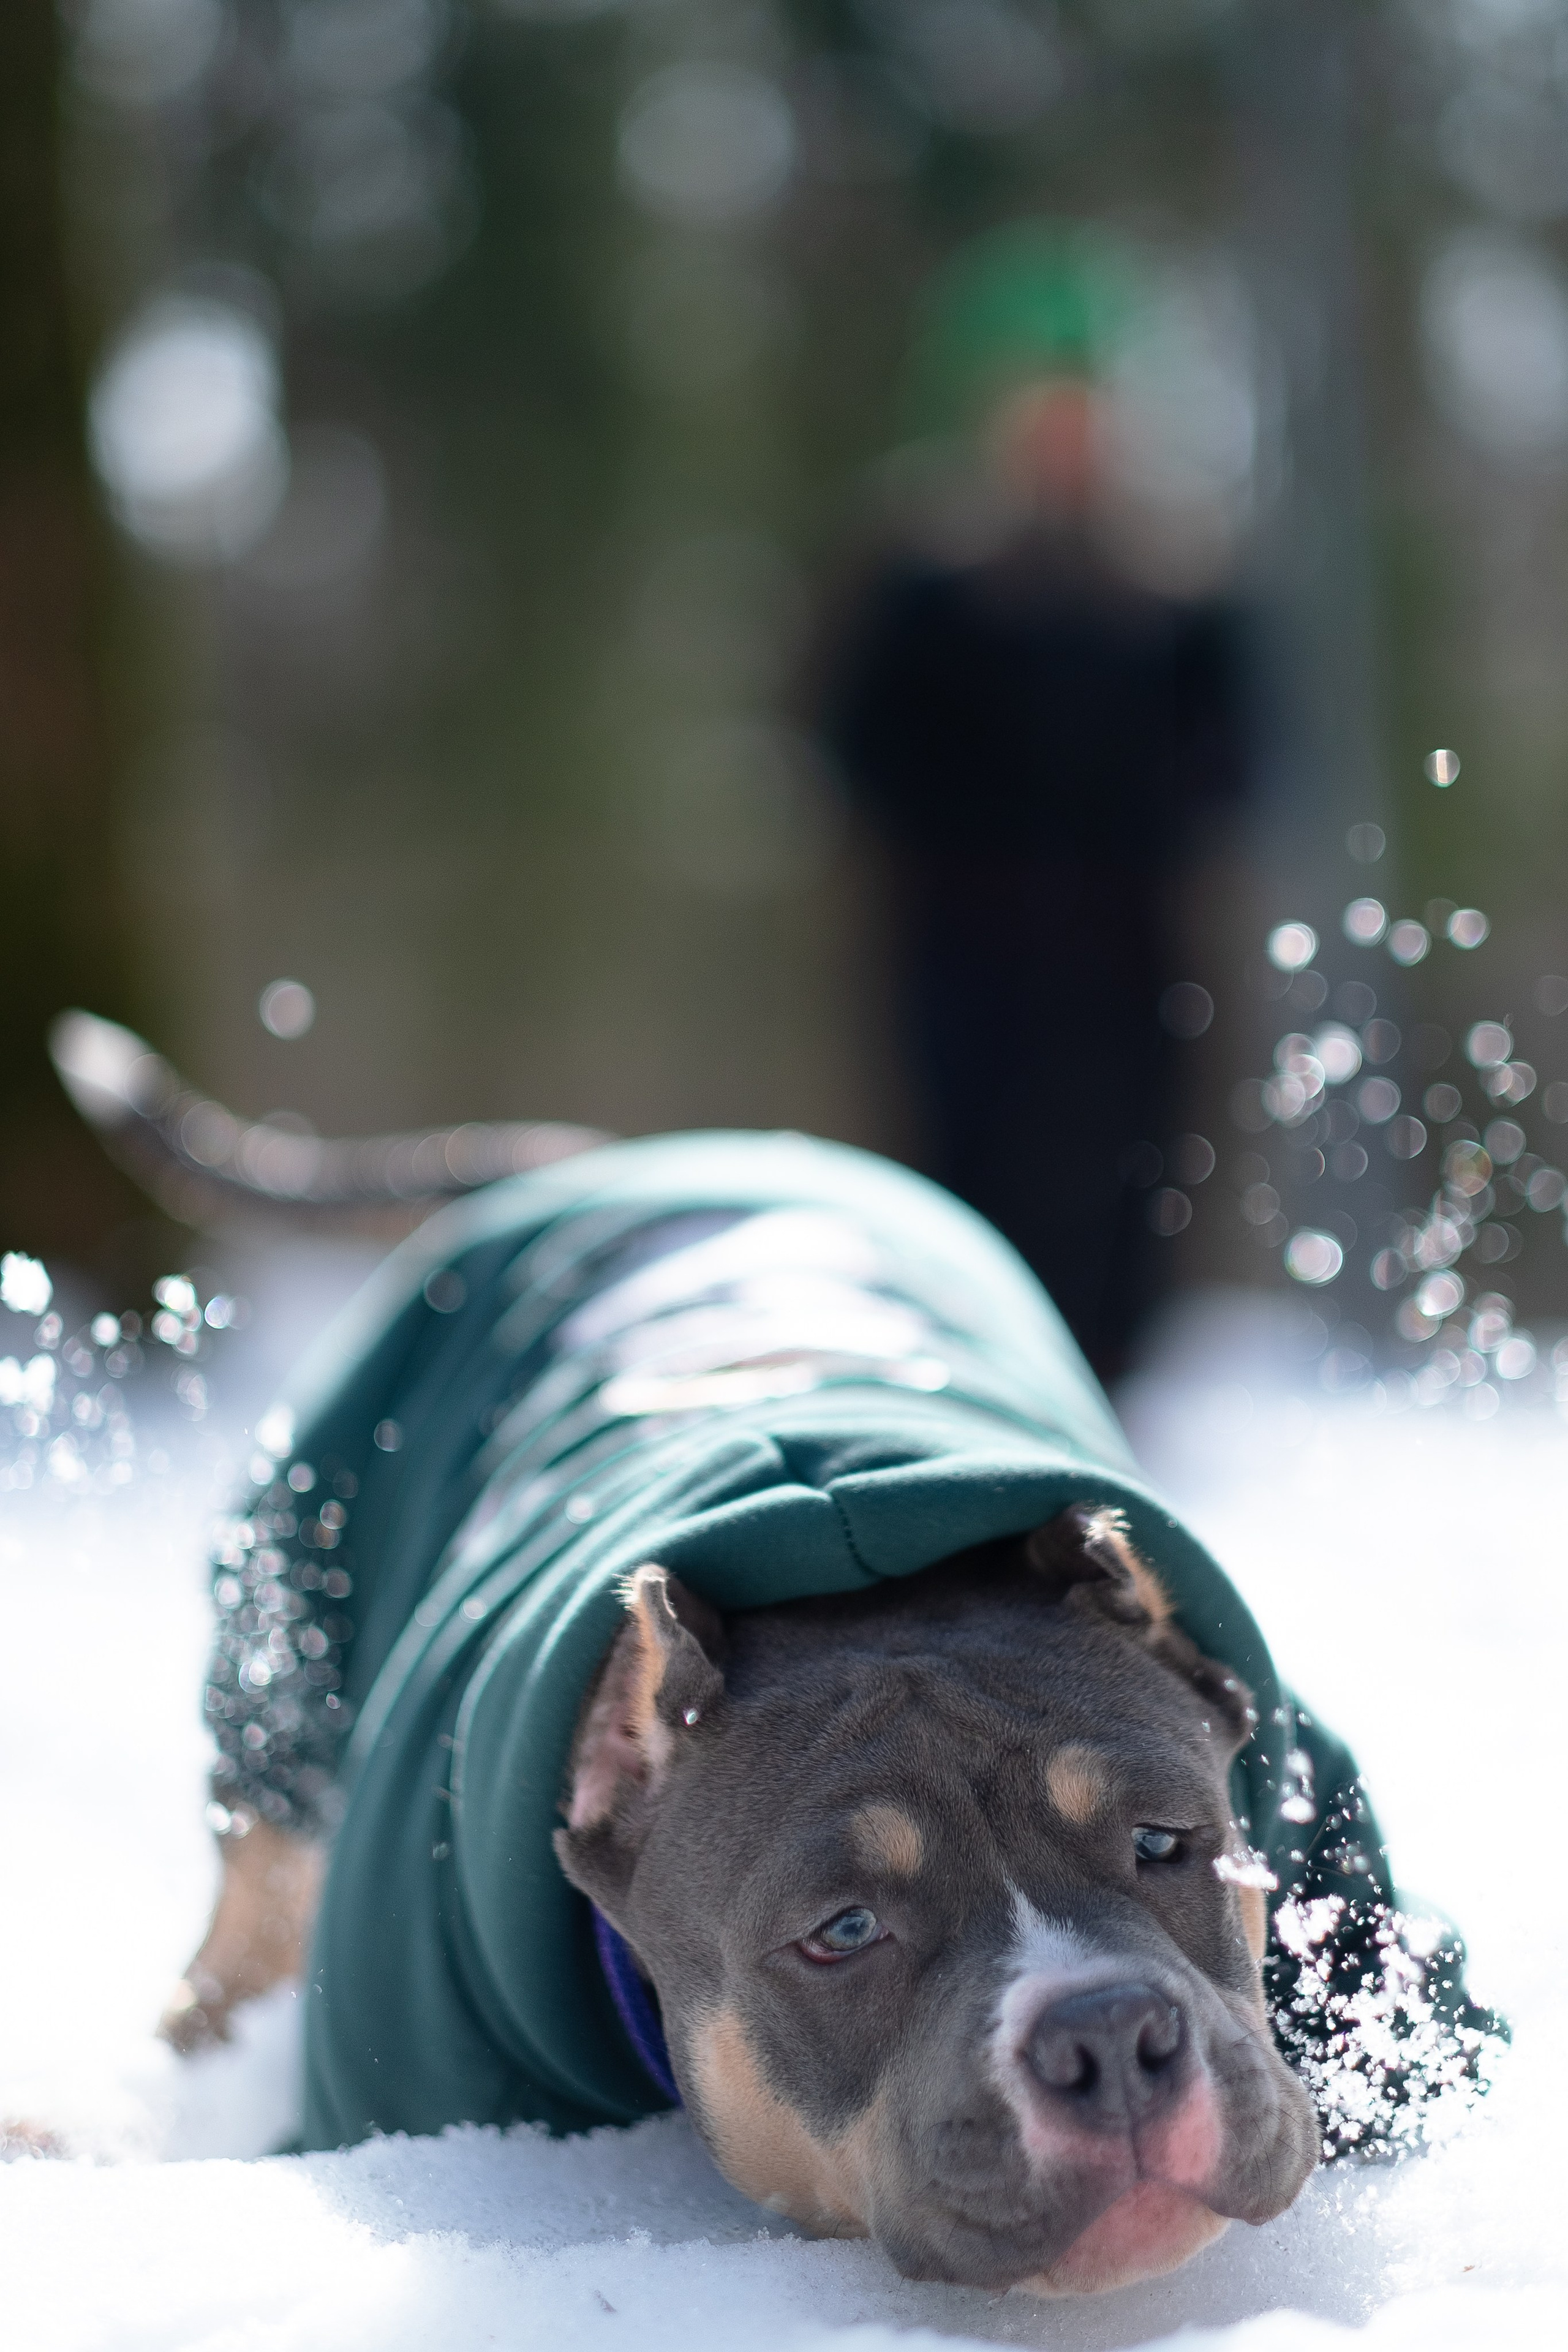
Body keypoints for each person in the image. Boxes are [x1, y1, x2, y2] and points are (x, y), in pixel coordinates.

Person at [816, 225, 1251, 1378]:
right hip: (969, 955)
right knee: (975, 1191)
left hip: (1124, 961)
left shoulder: (1173, 597)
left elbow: (1232, 769)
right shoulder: (927, 590)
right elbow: (860, 757)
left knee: (1122, 1203)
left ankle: (1111, 1399)